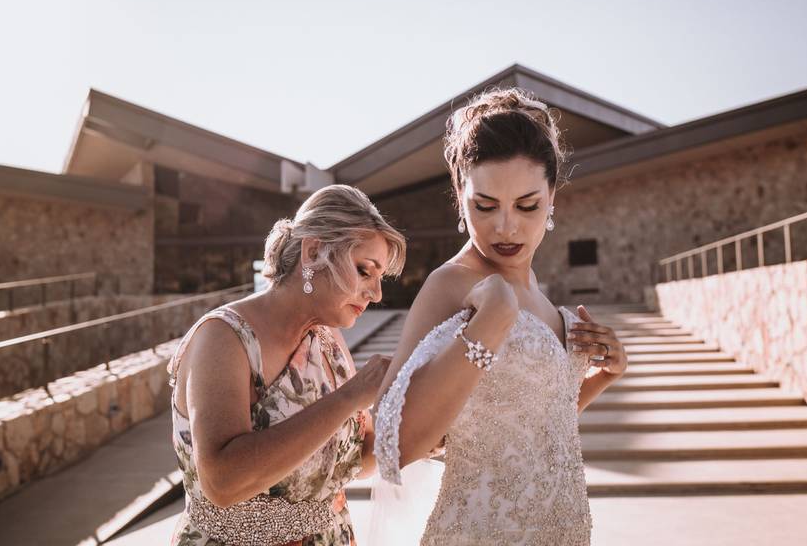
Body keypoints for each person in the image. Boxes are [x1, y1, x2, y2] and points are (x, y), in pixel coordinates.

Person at [373, 88, 629, 545]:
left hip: (563, 528)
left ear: (552, 196)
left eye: (527, 206)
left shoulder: (537, 290)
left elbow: (526, 427)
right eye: (485, 206)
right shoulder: (450, 284)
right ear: (460, 195)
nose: (505, 227)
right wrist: (488, 324)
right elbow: (399, 444)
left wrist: (601, 378)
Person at [168, 184, 406, 546]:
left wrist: (439, 414)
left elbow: (357, 457)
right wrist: (349, 398)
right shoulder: (223, 339)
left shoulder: (328, 340)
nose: (376, 294)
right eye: (364, 271)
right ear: (312, 252)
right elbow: (222, 482)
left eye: (378, 278)